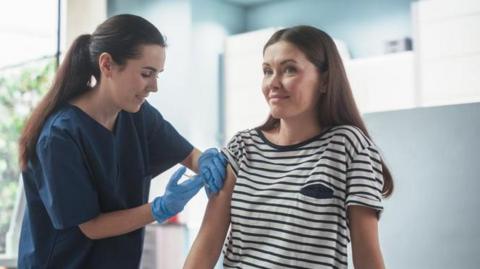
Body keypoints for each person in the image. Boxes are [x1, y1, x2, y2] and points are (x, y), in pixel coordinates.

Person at [17, 14, 226, 268]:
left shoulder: (137, 116)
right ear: (107, 65)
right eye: (146, 74)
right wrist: (159, 208)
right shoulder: (59, 136)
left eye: (157, 74)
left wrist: (204, 161)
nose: (154, 87)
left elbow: (187, 154)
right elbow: (91, 226)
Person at [184, 25, 394, 269]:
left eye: (289, 70)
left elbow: (367, 256)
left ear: (325, 81)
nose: (273, 83)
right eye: (267, 71)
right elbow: (208, 243)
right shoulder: (243, 147)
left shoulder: (349, 147)